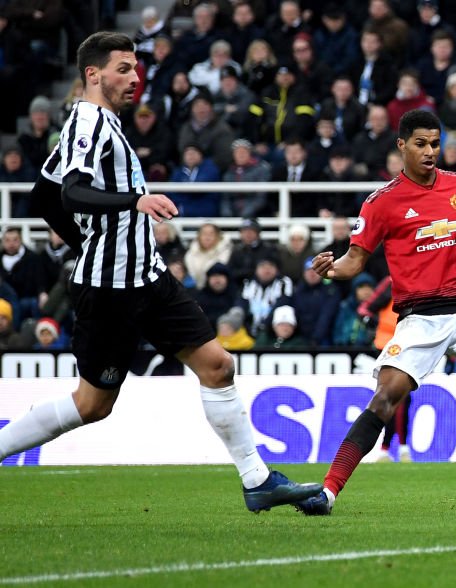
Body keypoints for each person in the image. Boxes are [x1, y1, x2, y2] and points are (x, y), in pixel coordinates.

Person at [3, 32, 321, 511]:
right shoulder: (87, 124)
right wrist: (130, 207)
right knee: (93, 405)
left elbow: (41, 195)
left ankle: (258, 481)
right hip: (109, 288)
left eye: (135, 68)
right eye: (124, 69)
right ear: (93, 75)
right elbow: (67, 193)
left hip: (148, 277)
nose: (135, 78)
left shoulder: (102, 123)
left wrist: (87, 238)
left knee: (218, 365)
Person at [296, 110, 456, 516]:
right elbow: (355, 260)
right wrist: (332, 270)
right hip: (418, 318)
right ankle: (326, 493)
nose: (430, 151)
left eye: (435, 143)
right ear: (401, 146)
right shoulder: (382, 203)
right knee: (384, 400)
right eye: (421, 144)